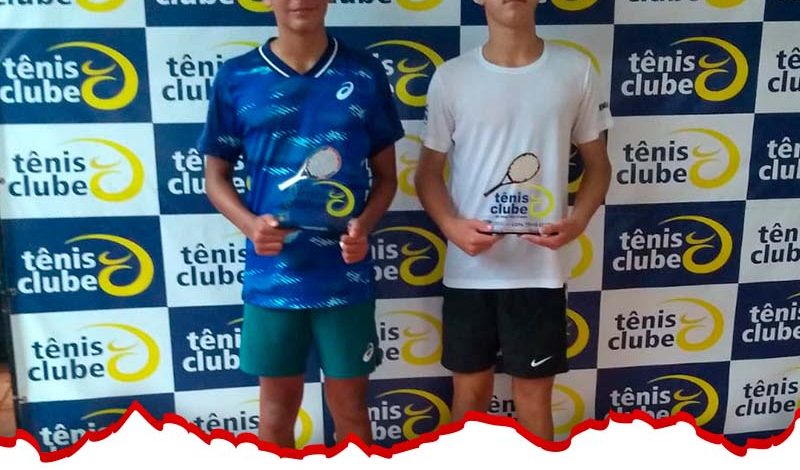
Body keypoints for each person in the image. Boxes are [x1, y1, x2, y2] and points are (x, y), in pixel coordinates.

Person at [199, 0, 404, 448]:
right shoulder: (237, 76)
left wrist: (365, 226)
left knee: (351, 411)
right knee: (275, 414)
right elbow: (215, 177)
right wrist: (250, 225)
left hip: (345, 279)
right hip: (272, 278)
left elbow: (387, 178)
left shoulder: (364, 73)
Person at [414, 0, 612, 440]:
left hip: (539, 272)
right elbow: (427, 174)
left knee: (534, 399)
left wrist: (578, 220)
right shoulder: (451, 77)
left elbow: (598, 166)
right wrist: (450, 226)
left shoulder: (575, 70)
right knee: (469, 397)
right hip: (470, 272)